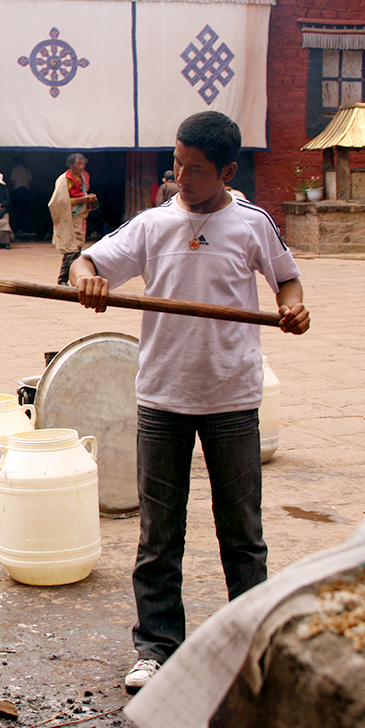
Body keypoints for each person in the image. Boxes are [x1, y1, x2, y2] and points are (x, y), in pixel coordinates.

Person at [69, 111, 310, 695]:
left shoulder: (252, 224)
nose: (181, 176)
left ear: (227, 170)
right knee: (158, 536)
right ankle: (156, 648)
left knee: (242, 534)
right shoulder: (152, 225)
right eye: (176, 163)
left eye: (195, 169)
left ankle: (252, 645)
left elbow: (287, 280)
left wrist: (293, 307)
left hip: (231, 399)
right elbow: (89, 261)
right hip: (161, 399)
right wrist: (88, 278)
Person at [49, 153, 97, 286]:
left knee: (77, 247)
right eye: (78, 164)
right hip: (69, 216)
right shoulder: (64, 179)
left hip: (80, 216)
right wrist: (82, 199)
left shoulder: (83, 177)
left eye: (83, 164)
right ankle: (63, 278)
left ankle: (66, 277)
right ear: (70, 165)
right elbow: (60, 201)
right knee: (71, 247)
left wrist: (88, 199)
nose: (81, 167)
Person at [9, 157, 33, 235]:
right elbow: (31, 183)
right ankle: (25, 228)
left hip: (17, 192)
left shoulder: (14, 170)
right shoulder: (27, 170)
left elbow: (12, 181)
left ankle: (19, 229)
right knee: (25, 211)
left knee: (17, 211)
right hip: (26, 191)